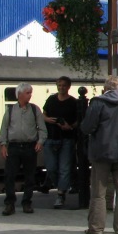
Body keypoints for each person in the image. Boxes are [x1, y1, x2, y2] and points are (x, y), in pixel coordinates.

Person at [81, 76, 118, 234]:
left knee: (99, 191)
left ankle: (96, 227)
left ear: (105, 88)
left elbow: (87, 126)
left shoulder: (98, 102)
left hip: (102, 151)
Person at [0, 82, 48, 215]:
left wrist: (40, 141)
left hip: (29, 146)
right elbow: (4, 128)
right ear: (20, 94)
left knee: (30, 176)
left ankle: (27, 202)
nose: (30, 95)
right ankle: (9, 203)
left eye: (31, 92)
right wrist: (3, 144)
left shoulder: (34, 109)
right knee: (9, 175)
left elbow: (42, 128)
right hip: (14, 146)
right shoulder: (10, 110)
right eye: (28, 93)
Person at [41, 75, 78, 209]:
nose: (61, 88)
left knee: (65, 168)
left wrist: (70, 126)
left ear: (68, 87)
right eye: (59, 85)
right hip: (50, 137)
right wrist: (48, 120)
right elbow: (43, 114)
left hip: (66, 138)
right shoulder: (51, 99)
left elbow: (79, 120)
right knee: (51, 168)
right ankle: (60, 186)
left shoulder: (73, 102)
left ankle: (61, 193)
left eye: (64, 85)